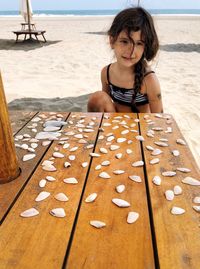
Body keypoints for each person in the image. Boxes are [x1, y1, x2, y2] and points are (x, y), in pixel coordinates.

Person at [87, 7, 163, 113]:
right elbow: (104, 106)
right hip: (115, 125)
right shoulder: (106, 73)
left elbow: (159, 118)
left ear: (145, 47)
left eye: (139, 43)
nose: (131, 51)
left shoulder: (149, 80)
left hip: (141, 128)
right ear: (112, 40)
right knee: (97, 98)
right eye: (125, 41)